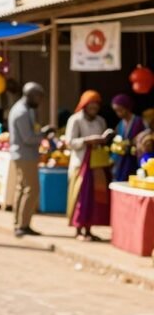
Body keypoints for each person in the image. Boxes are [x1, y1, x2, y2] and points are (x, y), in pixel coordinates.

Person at [66, 90, 114, 242]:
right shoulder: (75, 120)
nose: (94, 110)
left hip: (96, 164)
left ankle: (89, 229)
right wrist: (88, 140)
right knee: (80, 197)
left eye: (96, 107)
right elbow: (70, 142)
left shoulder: (100, 121)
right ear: (85, 106)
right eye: (91, 106)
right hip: (80, 164)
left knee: (93, 198)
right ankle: (78, 229)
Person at [7, 82, 51, 237]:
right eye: (38, 97)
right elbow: (28, 138)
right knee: (32, 189)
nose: (40, 101)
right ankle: (23, 225)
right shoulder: (22, 112)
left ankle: (19, 223)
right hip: (25, 155)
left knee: (22, 188)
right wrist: (44, 134)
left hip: (23, 155)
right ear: (31, 95)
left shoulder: (26, 110)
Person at [111, 93, 144, 182]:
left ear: (127, 107)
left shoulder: (139, 122)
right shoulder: (120, 124)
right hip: (121, 161)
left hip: (135, 160)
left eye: (120, 110)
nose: (118, 113)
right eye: (116, 111)